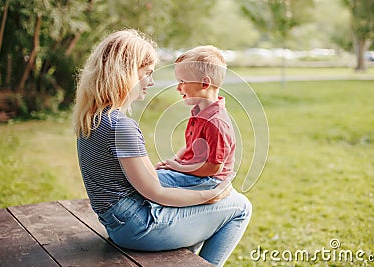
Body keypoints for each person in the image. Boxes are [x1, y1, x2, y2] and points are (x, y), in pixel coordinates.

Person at [73, 29, 251, 267]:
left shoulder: (92, 118)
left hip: (119, 222)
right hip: (138, 227)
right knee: (240, 206)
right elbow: (156, 193)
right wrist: (210, 195)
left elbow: (149, 182)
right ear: (125, 73)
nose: (151, 81)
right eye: (146, 73)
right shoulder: (120, 127)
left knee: (193, 197)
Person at [155, 45, 235, 191]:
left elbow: (214, 167)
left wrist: (179, 168)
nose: (178, 88)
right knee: (152, 176)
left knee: (151, 181)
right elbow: (190, 146)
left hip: (209, 180)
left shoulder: (215, 122)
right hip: (194, 173)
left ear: (205, 83)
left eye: (182, 81)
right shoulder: (199, 112)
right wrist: (173, 162)